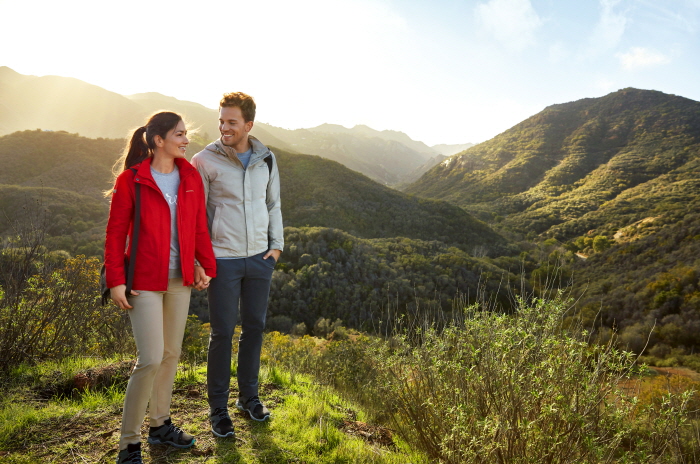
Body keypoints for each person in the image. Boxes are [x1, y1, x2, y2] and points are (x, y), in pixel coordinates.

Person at [104, 112, 217, 464]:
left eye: (185, 134)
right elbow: (115, 233)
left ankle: (160, 424)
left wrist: (205, 265)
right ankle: (128, 445)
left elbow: (198, 226)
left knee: (170, 354)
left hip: (179, 279)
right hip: (143, 281)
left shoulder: (190, 176)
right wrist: (115, 280)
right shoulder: (131, 180)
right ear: (158, 140)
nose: (186, 140)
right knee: (150, 358)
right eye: (179, 134)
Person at [191, 92, 283, 437]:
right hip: (223, 259)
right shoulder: (204, 160)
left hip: (260, 259)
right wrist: (202, 259)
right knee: (222, 332)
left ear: (248, 125)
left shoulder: (266, 159)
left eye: (232, 122)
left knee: (255, 327)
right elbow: (196, 215)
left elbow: (273, 204)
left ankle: (249, 398)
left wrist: (276, 247)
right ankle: (218, 408)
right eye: (221, 121)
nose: (224, 127)